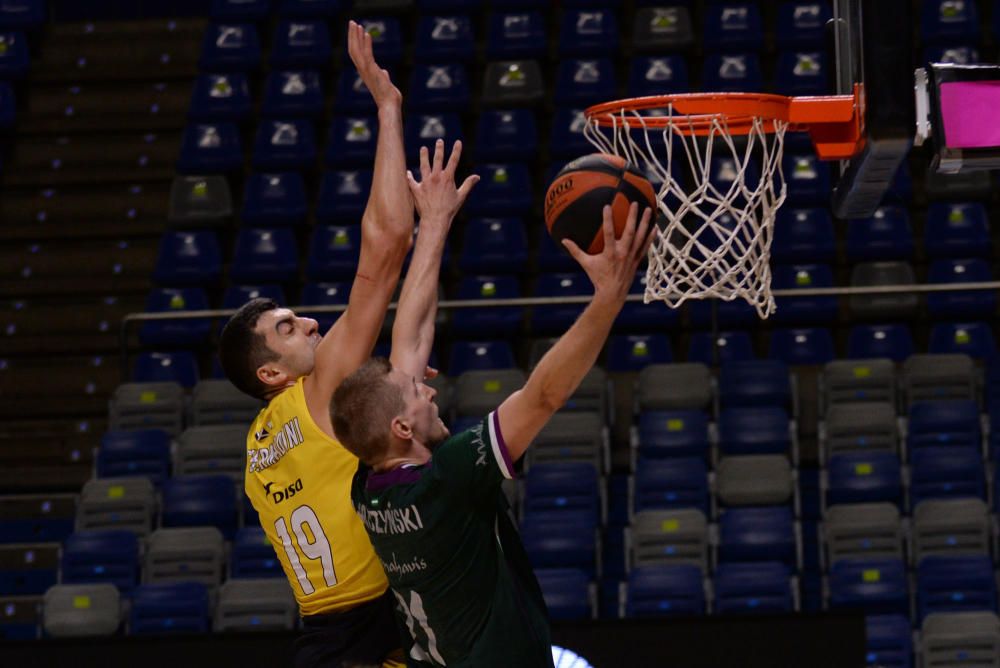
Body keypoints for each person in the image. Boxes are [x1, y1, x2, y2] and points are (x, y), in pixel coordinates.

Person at [331, 202, 656, 668]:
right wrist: (608, 299)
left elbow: (411, 338)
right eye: (416, 391)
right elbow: (543, 396)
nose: (429, 388)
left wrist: (436, 225)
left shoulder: (366, 484)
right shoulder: (447, 479)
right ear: (401, 428)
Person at [219, 21, 431, 668]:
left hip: (325, 634)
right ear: (273, 375)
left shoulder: (258, 450)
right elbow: (385, 246)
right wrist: (389, 109)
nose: (311, 325)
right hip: (372, 622)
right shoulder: (319, 392)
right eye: (288, 329)